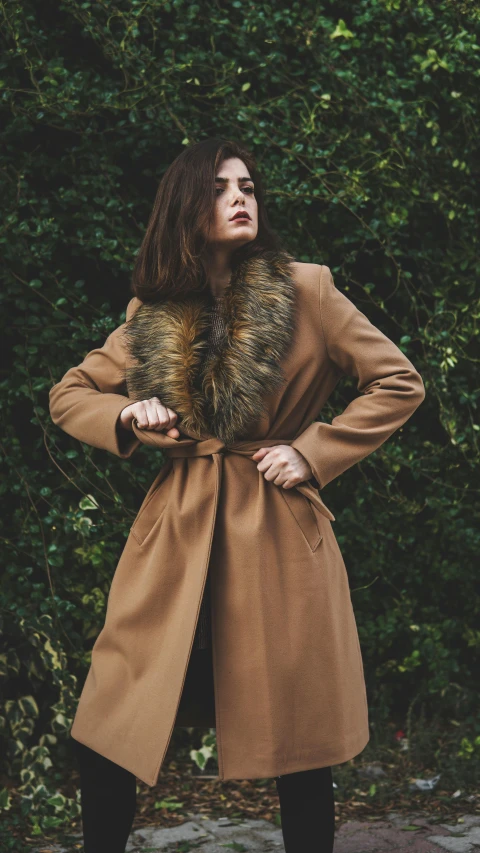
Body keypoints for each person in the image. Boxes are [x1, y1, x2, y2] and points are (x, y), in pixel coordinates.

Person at [49, 137, 426, 853]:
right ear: (188, 207)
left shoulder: (306, 289)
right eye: (222, 188)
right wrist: (127, 415)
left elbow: (399, 380)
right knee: (108, 723)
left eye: (248, 186)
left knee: (300, 746)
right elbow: (69, 394)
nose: (241, 197)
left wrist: (313, 450)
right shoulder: (150, 314)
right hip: (175, 542)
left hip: (276, 537)